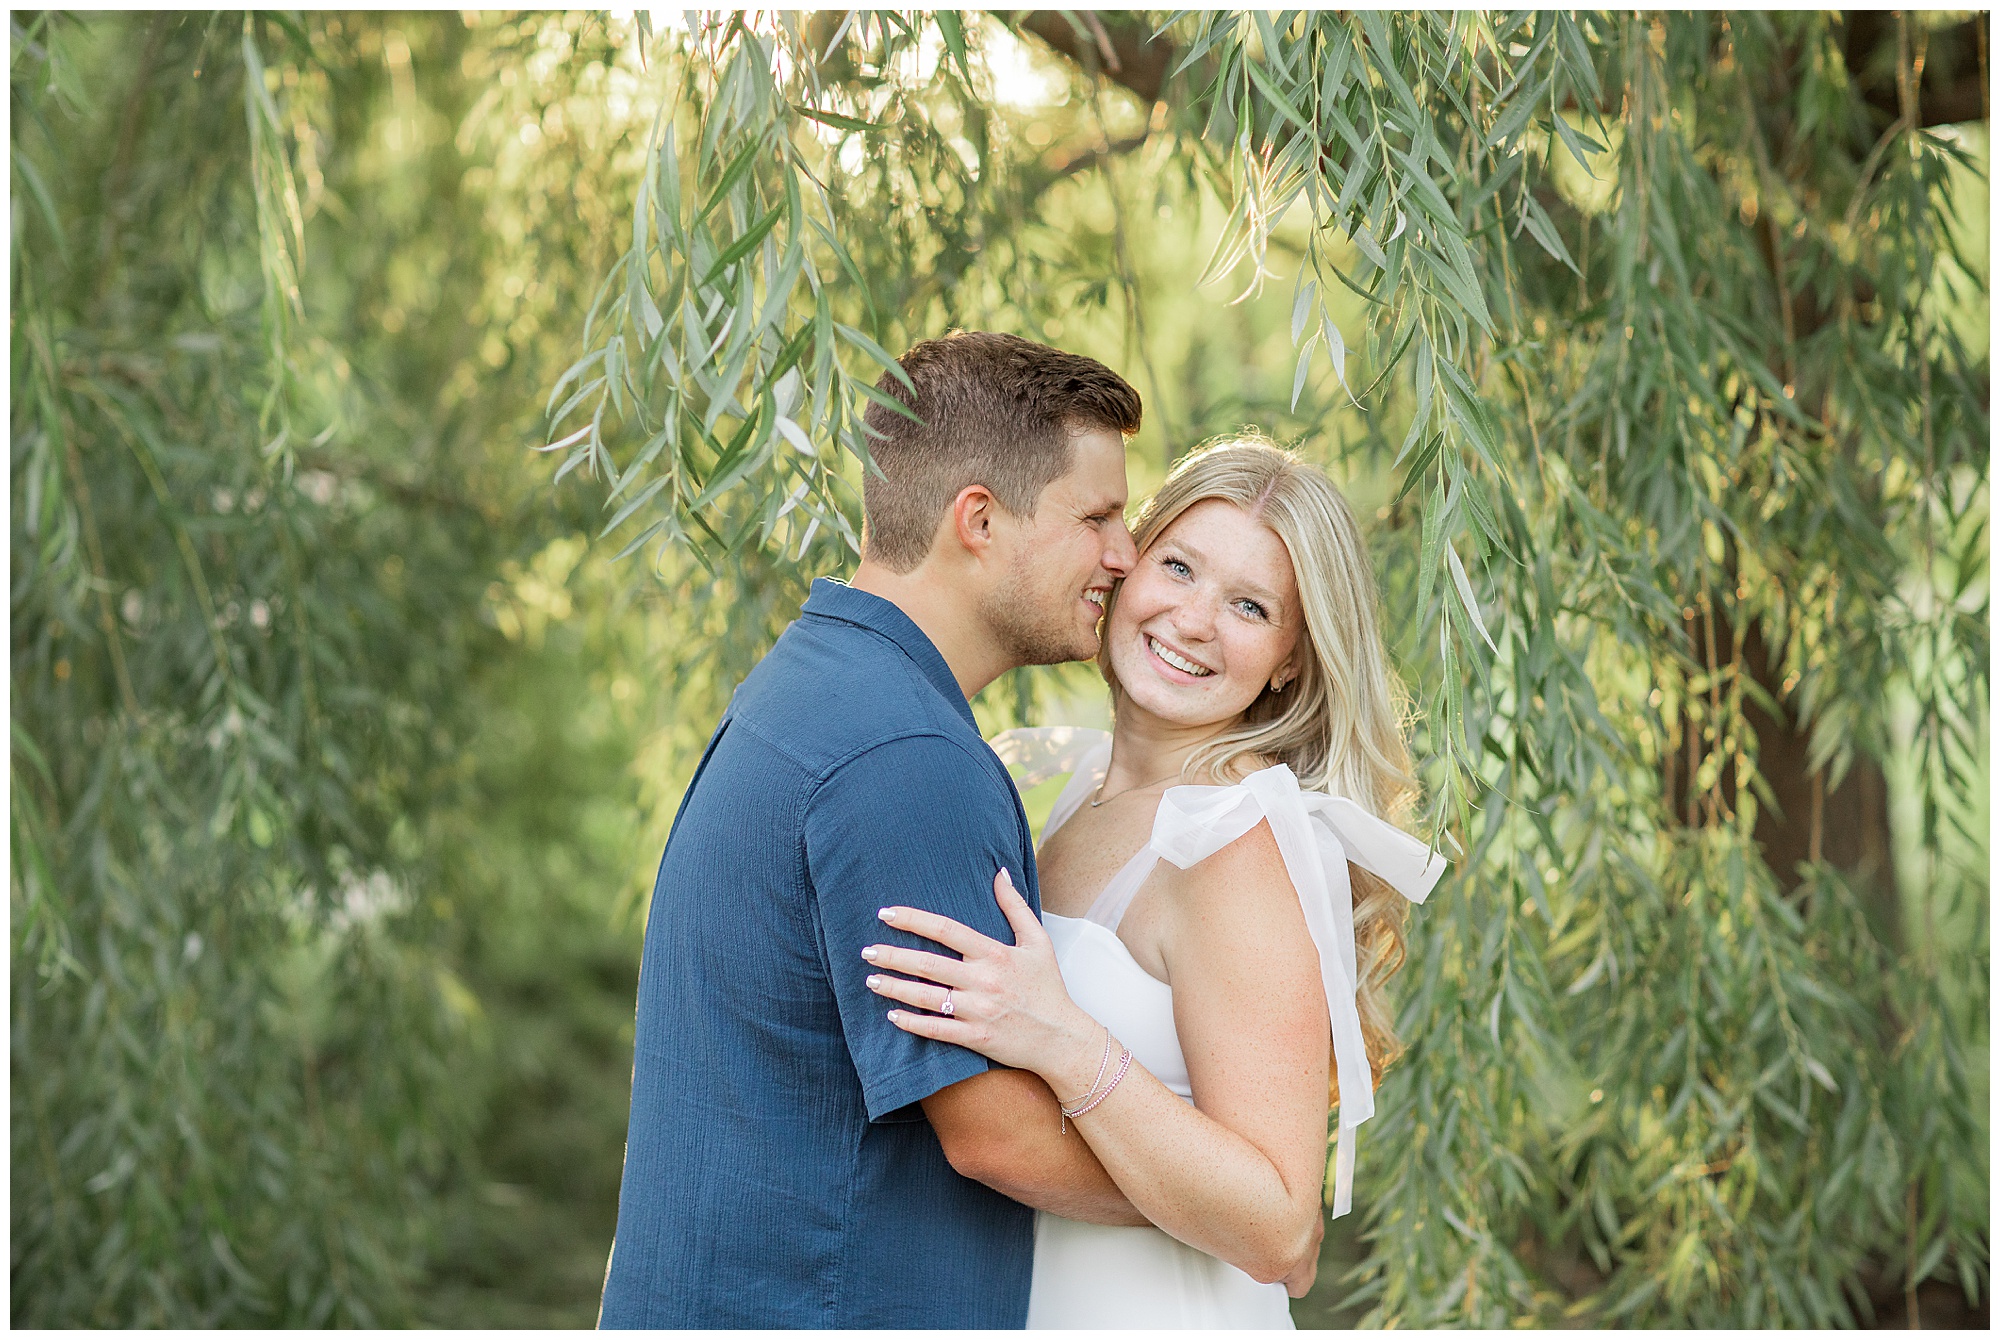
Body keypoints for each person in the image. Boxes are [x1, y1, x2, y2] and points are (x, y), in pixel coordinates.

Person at [597, 331, 1158, 1328]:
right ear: (978, 520)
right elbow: (994, 1134)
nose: (1126, 553)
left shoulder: (813, 687)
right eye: (1098, 515)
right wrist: (1234, 1208)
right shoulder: (906, 756)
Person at [859, 437, 1448, 1328]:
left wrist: (1065, 1042)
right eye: (1178, 566)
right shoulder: (1077, 797)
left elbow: (1283, 1227)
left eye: (1250, 606)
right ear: (1126, 567)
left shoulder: (1233, 839)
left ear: (1291, 658)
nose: (1194, 619)